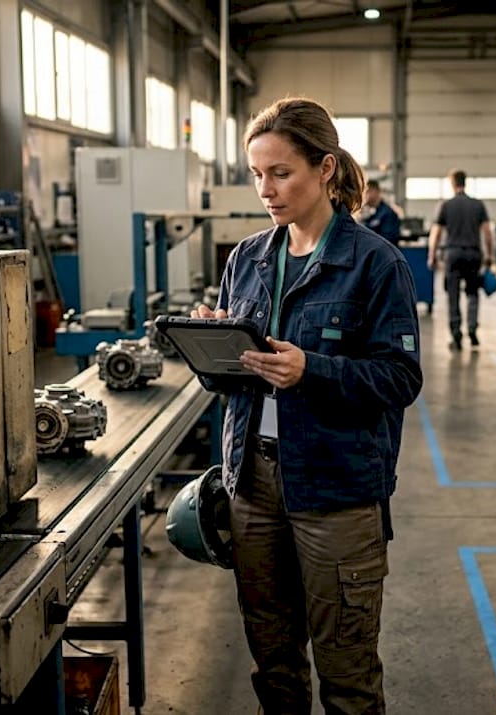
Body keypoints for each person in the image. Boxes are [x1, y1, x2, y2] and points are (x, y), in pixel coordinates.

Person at [192, 96, 423, 715]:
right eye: (256, 174)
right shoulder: (247, 259)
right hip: (253, 483)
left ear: (324, 169)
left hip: (336, 488)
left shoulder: (375, 264)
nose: (266, 190)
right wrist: (214, 347)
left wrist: (311, 370)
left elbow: (400, 378)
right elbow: (231, 384)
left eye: (281, 172)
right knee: (273, 663)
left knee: (346, 671)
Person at [427, 169, 494, 351]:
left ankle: (456, 335)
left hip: (453, 255)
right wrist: (490, 256)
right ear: (466, 182)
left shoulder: (446, 205)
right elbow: (488, 232)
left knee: (453, 295)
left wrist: (432, 255)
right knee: (473, 293)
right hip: (473, 254)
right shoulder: (478, 205)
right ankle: (472, 330)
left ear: (452, 183)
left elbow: (436, 233)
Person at [359, 179, 401, 245]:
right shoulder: (375, 214)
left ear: (376, 191)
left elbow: (387, 241)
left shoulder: (387, 214)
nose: (364, 196)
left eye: (367, 192)